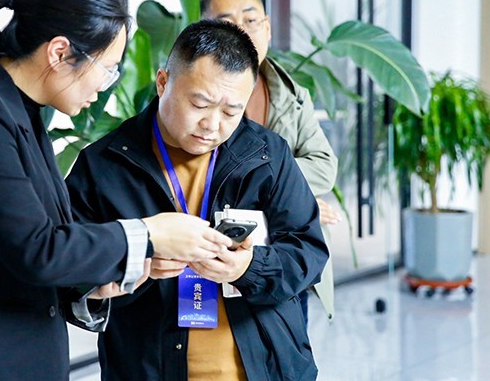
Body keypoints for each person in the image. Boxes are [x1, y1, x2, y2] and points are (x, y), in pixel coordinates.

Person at [0, 0, 232, 381]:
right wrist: (149, 233)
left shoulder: (21, 113)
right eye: (107, 69)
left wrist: (96, 285)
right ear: (60, 52)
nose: (105, 86)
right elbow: (38, 249)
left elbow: (30, 251)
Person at [66, 20, 329, 380]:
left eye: (231, 111)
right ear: (163, 82)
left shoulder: (266, 155)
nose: (212, 124)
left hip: (263, 369)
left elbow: (309, 251)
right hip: (147, 370)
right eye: (199, 103)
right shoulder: (104, 165)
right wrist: (130, 265)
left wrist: (248, 267)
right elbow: (68, 272)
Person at [201, 0, 340, 322]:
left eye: (250, 20)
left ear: (267, 28)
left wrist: (283, 193)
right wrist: (290, 197)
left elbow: (324, 165)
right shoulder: (191, 96)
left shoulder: (292, 95)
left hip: (283, 259)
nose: (241, 31)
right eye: (226, 23)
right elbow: (193, 175)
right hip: (213, 260)